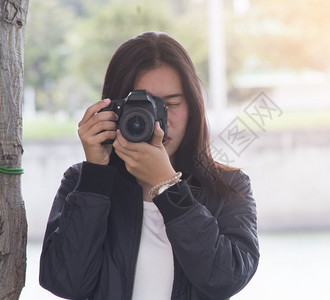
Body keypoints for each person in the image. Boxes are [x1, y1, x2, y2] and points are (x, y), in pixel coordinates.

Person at [39, 31, 259, 300]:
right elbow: (64, 282)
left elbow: (225, 279)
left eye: (171, 104)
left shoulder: (228, 187)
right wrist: (95, 175)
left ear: (193, 106)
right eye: (141, 106)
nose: (157, 121)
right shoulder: (82, 182)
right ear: (112, 109)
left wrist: (168, 186)